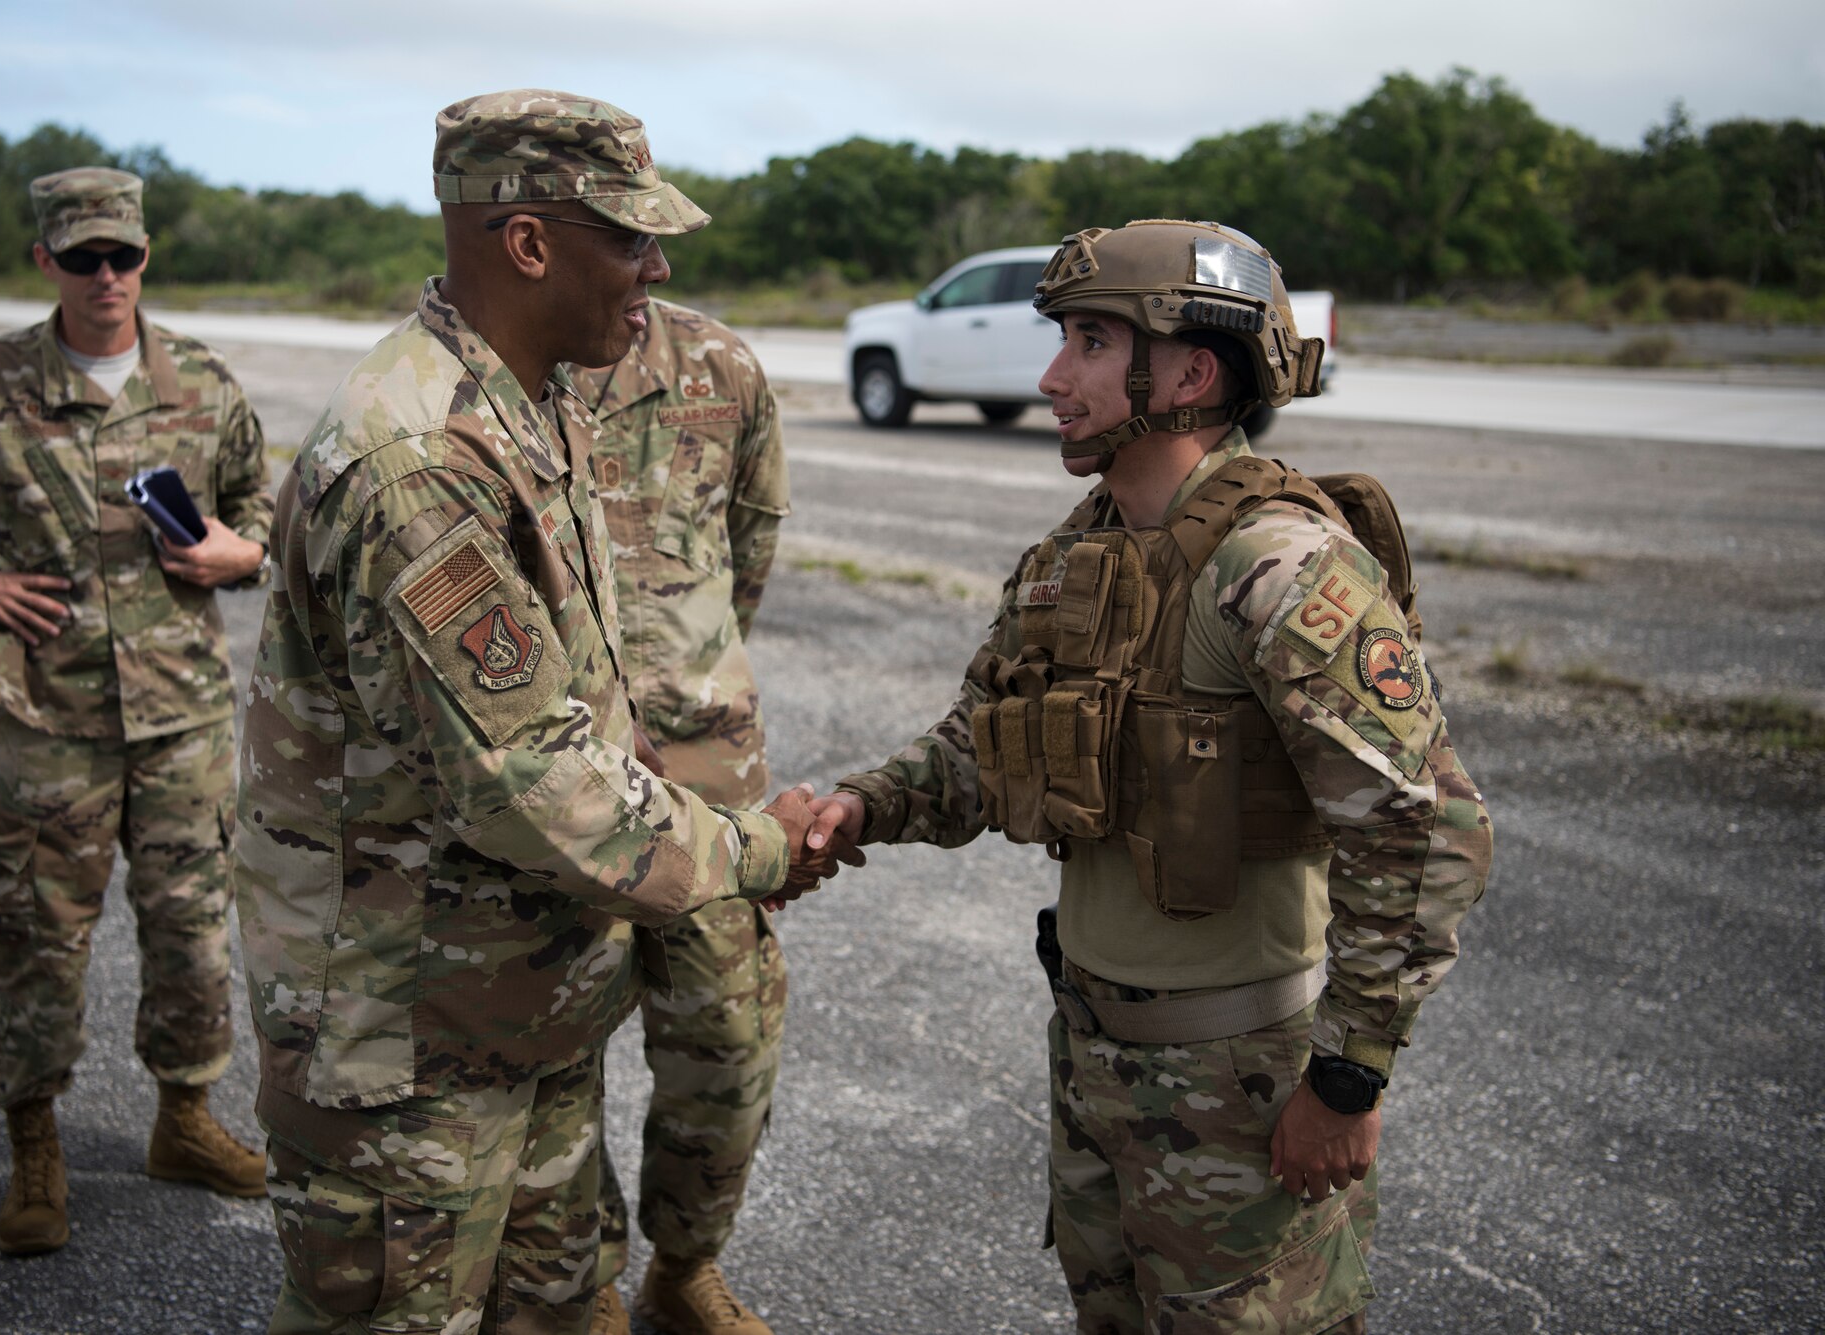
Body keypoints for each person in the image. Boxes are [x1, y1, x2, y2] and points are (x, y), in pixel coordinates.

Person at [805, 220, 1494, 1333]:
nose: (1049, 377)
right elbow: (982, 740)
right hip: (1093, 1056)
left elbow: (1424, 829)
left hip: (1241, 1082)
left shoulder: (1276, 568)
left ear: (1188, 369)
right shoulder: (1073, 559)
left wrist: (1347, 1078)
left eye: (1086, 342)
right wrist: (860, 807)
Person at [235, 91, 837, 1335]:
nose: (656, 267)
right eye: (630, 237)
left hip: (521, 1001)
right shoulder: (419, 460)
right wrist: (762, 845)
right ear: (527, 242)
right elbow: (532, 780)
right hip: (410, 1043)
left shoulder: (530, 400)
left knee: (564, 1308)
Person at [0, 166, 273, 1257]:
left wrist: (243, 548)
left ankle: (183, 1120)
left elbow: (264, 498)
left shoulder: (205, 383)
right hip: (49, 716)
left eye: (122, 254)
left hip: (181, 716)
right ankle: (35, 1145)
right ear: (46, 262)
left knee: (191, 934)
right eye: (82, 257)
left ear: (144, 254)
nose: (106, 275)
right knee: (37, 937)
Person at [566, 301, 791, 1335]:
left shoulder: (717, 365)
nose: (640, 259)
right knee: (554, 1037)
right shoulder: (498, 364)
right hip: (556, 771)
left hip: (705, 764)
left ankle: (683, 1263)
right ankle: (578, 1280)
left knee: (726, 1033)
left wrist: (676, 683)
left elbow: (748, 545)